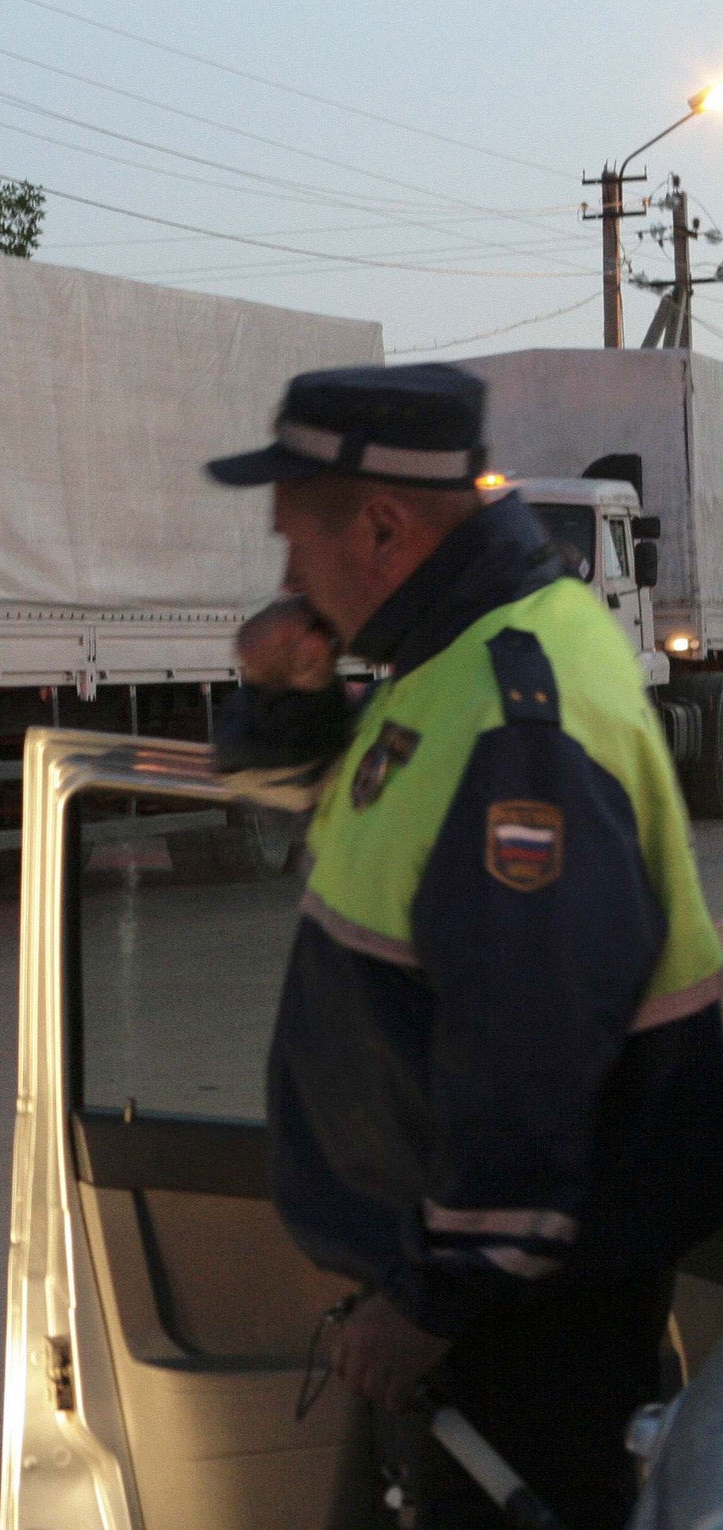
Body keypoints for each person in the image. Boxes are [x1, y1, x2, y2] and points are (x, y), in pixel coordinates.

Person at [207, 364, 723, 1528]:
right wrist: (282, 694)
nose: (285, 577)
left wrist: (433, 1302)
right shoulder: (445, 660)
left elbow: (531, 1053)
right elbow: (302, 792)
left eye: (294, 544)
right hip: (476, 1297)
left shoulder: (506, 712)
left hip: (523, 1320)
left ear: (382, 525)